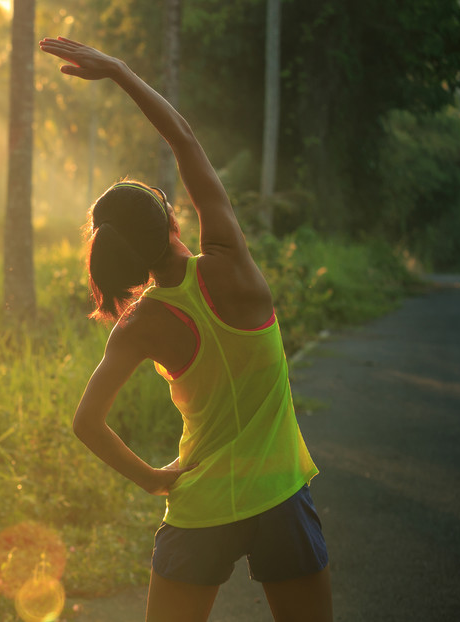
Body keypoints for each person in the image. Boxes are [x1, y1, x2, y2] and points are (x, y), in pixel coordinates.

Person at [38, 37, 332, 622]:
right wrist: (121, 71)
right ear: (173, 217)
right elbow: (183, 138)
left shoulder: (139, 326)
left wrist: (154, 480)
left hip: (199, 510)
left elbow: (86, 422)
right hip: (279, 496)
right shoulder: (231, 264)